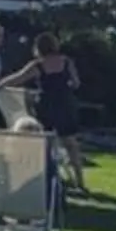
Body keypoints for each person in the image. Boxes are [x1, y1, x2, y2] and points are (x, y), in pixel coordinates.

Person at [29, 31, 87, 189]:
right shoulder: (66, 62)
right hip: (65, 104)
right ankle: (79, 181)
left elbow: (18, 77)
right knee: (71, 145)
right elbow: (76, 83)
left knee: (45, 144)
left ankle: (48, 177)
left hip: (46, 106)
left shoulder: (38, 65)